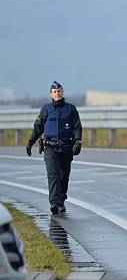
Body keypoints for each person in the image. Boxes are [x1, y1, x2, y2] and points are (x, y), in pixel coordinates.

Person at [26, 81, 83, 214]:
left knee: (64, 176)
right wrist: (30, 142)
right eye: (55, 92)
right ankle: (54, 202)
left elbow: (77, 127)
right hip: (50, 148)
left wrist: (78, 142)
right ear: (51, 94)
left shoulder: (71, 109)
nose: (57, 94)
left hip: (67, 148)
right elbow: (38, 128)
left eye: (59, 91)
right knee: (54, 175)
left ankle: (61, 201)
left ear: (62, 92)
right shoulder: (46, 109)